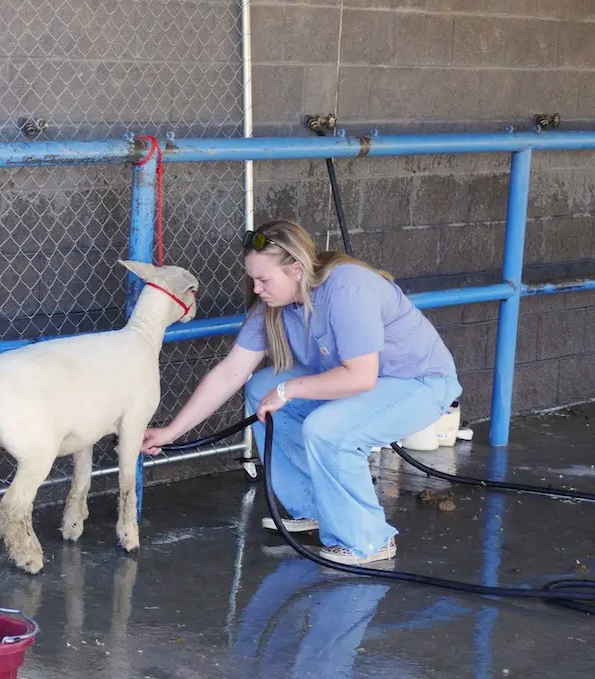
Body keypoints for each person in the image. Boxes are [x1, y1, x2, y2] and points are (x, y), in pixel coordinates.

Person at [140, 220, 462, 565]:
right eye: (252, 279)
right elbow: (230, 373)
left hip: (418, 383)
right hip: (363, 381)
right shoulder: (273, 306)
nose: (257, 288)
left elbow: (361, 377)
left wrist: (288, 389)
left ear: (295, 269)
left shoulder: (348, 288)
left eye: (264, 280)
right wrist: (171, 431)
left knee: (328, 430)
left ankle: (367, 540)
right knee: (261, 387)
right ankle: (313, 508)